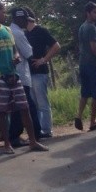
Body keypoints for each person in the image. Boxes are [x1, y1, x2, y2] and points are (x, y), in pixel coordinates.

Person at [0, 0, 48, 154]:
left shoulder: (8, 30)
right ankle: (7, 143)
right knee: (1, 112)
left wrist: (16, 57)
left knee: (24, 107)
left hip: (14, 75)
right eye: (3, 11)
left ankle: (33, 141)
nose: (5, 15)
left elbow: (15, 49)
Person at [8, 7, 42, 147]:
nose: (26, 22)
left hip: (16, 74)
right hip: (22, 75)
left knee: (18, 108)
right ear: (18, 19)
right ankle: (36, 134)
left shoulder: (10, 31)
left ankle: (14, 136)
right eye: (24, 19)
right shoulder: (18, 34)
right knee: (28, 107)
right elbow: (28, 53)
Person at [26, 10, 61, 138]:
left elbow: (56, 46)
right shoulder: (24, 33)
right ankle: (38, 129)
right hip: (28, 74)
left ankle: (46, 130)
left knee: (42, 102)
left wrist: (44, 60)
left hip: (40, 72)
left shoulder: (41, 31)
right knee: (34, 104)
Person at [75, 2, 96, 132]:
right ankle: (92, 122)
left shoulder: (82, 26)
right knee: (95, 94)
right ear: (88, 13)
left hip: (82, 63)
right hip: (92, 64)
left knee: (85, 92)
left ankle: (78, 116)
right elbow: (94, 48)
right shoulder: (92, 28)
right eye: (94, 12)